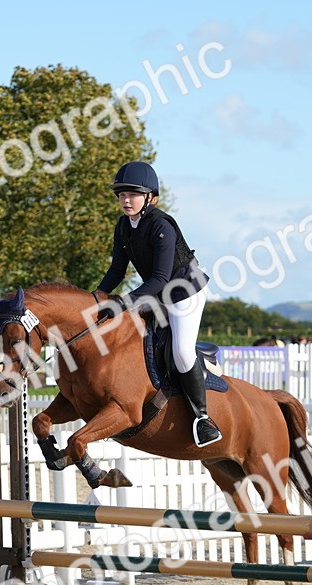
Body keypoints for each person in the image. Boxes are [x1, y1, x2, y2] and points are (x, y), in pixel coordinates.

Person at [94, 161, 221, 447]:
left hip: (184, 291)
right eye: (121, 195)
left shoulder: (161, 225)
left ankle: (202, 419)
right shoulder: (124, 226)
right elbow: (117, 269)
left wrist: (124, 303)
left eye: (133, 195)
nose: (126, 200)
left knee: (181, 350)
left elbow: (162, 278)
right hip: (159, 291)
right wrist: (97, 297)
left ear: (150, 196)